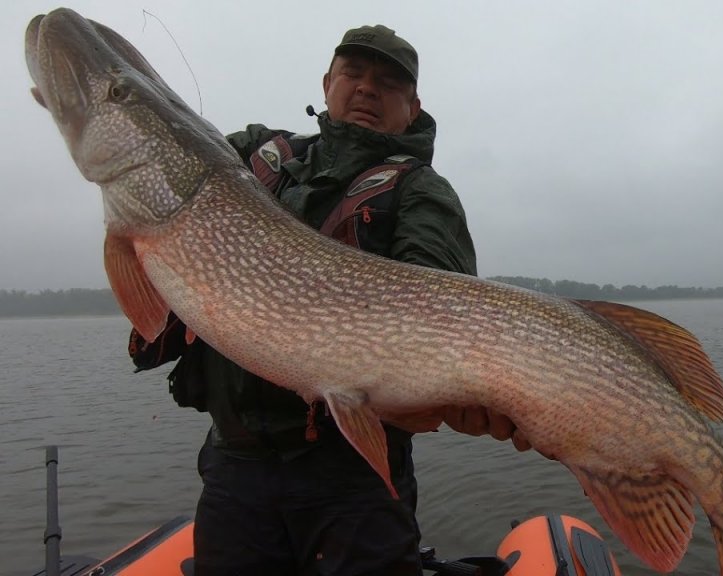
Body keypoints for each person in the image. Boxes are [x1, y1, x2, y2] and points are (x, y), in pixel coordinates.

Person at [129, 24, 523, 576]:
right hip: (235, 466)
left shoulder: (420, 191)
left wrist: (465, 390)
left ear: (413, 108)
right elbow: (178, 161)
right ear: (327, 82)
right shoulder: (253, 156)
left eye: (387, 83)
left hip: (352, 478)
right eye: (353, 74)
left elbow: (436, 310)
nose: (366, 89)